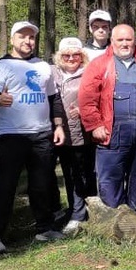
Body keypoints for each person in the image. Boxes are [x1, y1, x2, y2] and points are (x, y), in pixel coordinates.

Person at [0, 21, 66, 254]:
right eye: (22, 37)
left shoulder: (43, 67)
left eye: (31, 37)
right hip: (12, 135)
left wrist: (58, 126)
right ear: (12, 39)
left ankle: (45, 228)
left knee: (42, 184)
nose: (27, 41)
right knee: (5, 186)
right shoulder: (1, 66)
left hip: (42, 134)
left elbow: (53, 99)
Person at [78, 25, 136, 212]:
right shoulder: (99, 65)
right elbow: (87, 98)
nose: (124, 44)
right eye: (120, 40)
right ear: (112, 41)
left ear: (134, 40)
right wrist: (95, 125)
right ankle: (113, 217)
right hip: (112, 129)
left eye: (128, 40)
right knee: (110, 176)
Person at [50, 37, 96, 235]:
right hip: (58, 132)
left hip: (84, 132)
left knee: (87, 173)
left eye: (75, 55)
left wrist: (83, 110)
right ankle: (75, 212)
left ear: (82, 56)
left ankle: (88, 211)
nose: (71, 58)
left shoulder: (89, 73)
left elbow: (98, 99)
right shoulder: (52, 73)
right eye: (66, 55)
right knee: (68, 174)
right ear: (60, 56)